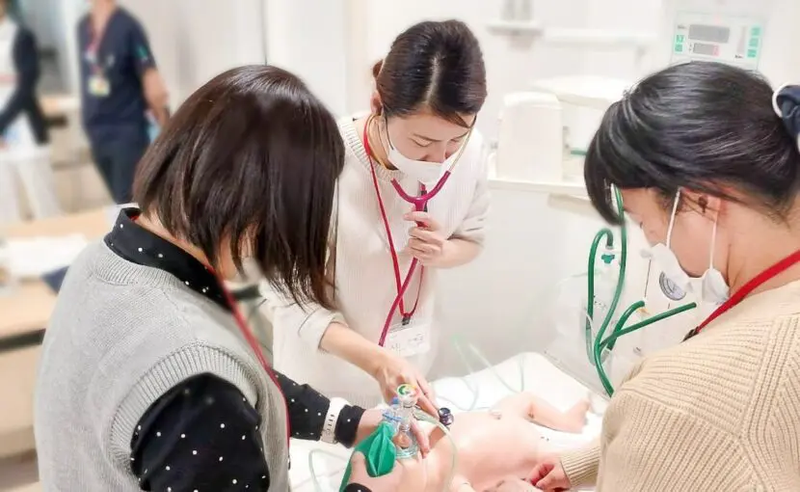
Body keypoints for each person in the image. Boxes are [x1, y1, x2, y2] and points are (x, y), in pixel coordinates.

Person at [34, 65, 428, 492]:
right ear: (262, 206)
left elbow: (240, 384)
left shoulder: (103, 261)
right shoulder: (198, 384)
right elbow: (208, 387)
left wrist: (351, 422)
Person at [529, 62, 800, 491]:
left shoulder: (680, 396)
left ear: (701, 203)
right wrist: (595, 458)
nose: (652, 242)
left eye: (642, 221)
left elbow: (698, 423)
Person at [261, 19, 490, 414]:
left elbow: (472, 239)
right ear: (377, 106)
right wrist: (378, 361)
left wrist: (443, 253)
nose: (439, 159)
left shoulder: (472, 153)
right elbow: (286, 298)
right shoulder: (318, 162)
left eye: (456, 139)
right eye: (422, 141)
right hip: (322, 392)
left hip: (413, 377)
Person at [390, 392, 589, 491]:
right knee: (564, 464)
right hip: (527, 446)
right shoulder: (451, 482)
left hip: (499, 414)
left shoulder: (419, 437)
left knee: (524, 398)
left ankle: (567, 421)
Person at [77, 0, 169, 204]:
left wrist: (166, 130)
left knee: (129, 202)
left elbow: (152, 81)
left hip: (125, 133)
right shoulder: (83, 27)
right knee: (120, 201)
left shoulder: (128, 27)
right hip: (96, 132)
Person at [0, 0, 59, 223]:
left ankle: (56, 242)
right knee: (5, 208)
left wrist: (1, 123)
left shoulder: (21, 37)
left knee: (43, 202)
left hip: (25, 131)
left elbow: (26, 87)